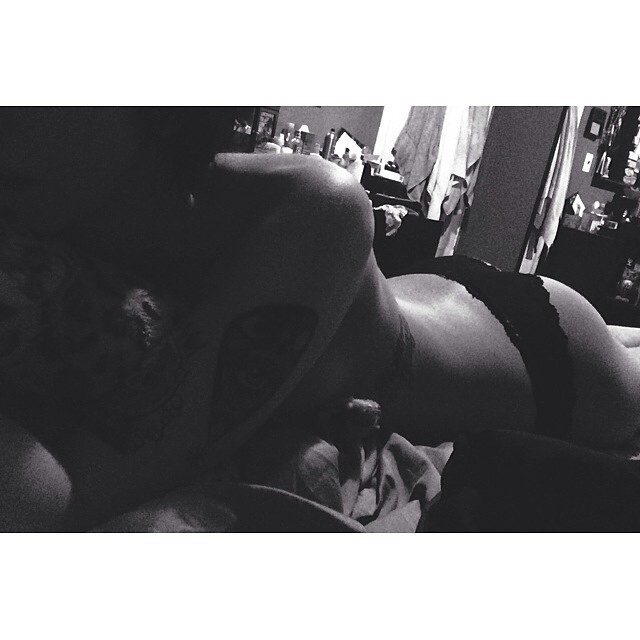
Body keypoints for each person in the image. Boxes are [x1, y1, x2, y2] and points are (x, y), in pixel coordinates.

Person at [1, 106, 640, 531]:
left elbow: (81, 494)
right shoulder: (51, 200)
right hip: (421, 291)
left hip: (541, 354)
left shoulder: (312, 209)